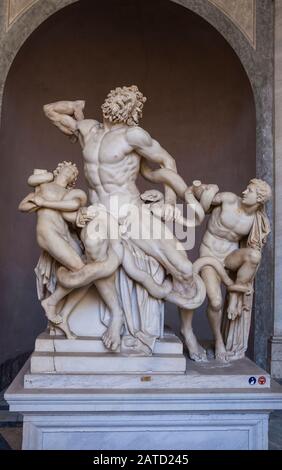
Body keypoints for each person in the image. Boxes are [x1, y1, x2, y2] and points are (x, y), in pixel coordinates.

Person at [43, 86, 206, 349]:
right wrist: (74, 104)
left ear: (133, 110)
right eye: (117, 97)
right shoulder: (88, 130)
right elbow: (49, 110)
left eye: (127, 101)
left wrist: (169, 201)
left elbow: (167, 162)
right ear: (108, 100)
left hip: (129, 210)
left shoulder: (133, 135)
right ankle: (116, 315)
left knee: (184, 268)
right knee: (96, 247)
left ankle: (187, 330)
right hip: (99, 211)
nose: (119, 102)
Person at [181, 178, 272, 361]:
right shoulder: (229, 199)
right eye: (247, 188)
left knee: (255, 256)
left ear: (259, 199)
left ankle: (236, 295)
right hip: (209, 254)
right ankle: (218, 340)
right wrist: (203, 189)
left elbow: (253, 250)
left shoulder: (256, 220)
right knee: (215, 302)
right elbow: (201, 200)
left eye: (250, 191)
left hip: (230, 257)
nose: (245, 192)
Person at [19, 162, 87, 324]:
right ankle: (52, 302)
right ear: (58, 170)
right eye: (67, 168)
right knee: (80, 269)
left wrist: (45, 203)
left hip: (65, 235)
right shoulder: (44, 186)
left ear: (73, 179)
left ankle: (63, 312)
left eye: (73, 173)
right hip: (48, 232)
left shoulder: (71, 193)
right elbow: (22, 206)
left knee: (87, 274)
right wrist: (36, 202)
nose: (70, 171)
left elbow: (74, 211)